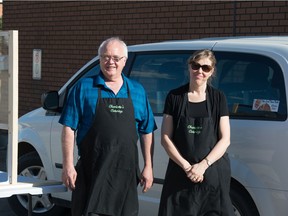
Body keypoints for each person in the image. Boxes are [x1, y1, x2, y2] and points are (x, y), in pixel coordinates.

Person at [59, 37, 157, 216]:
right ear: (99, 59)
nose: (110, 62)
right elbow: (68, 128)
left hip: (125, 175)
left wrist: (148, 167)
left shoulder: (137, 90)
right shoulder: (83, 87)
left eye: (116, 58)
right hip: (92, 171)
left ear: (124, 61)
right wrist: (68, 165)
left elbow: (147, 130)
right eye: (105, 57)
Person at [158, 49, 234, 216]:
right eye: (196, 66)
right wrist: (187, 167)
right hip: (180, 173)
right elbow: (165, 138)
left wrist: (202, 166)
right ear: (189, 67)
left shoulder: (218, 98)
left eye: (205, 68)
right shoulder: (175, 97)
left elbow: (225, 139)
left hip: (211, 174)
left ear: (212, 71)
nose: (200, 71)